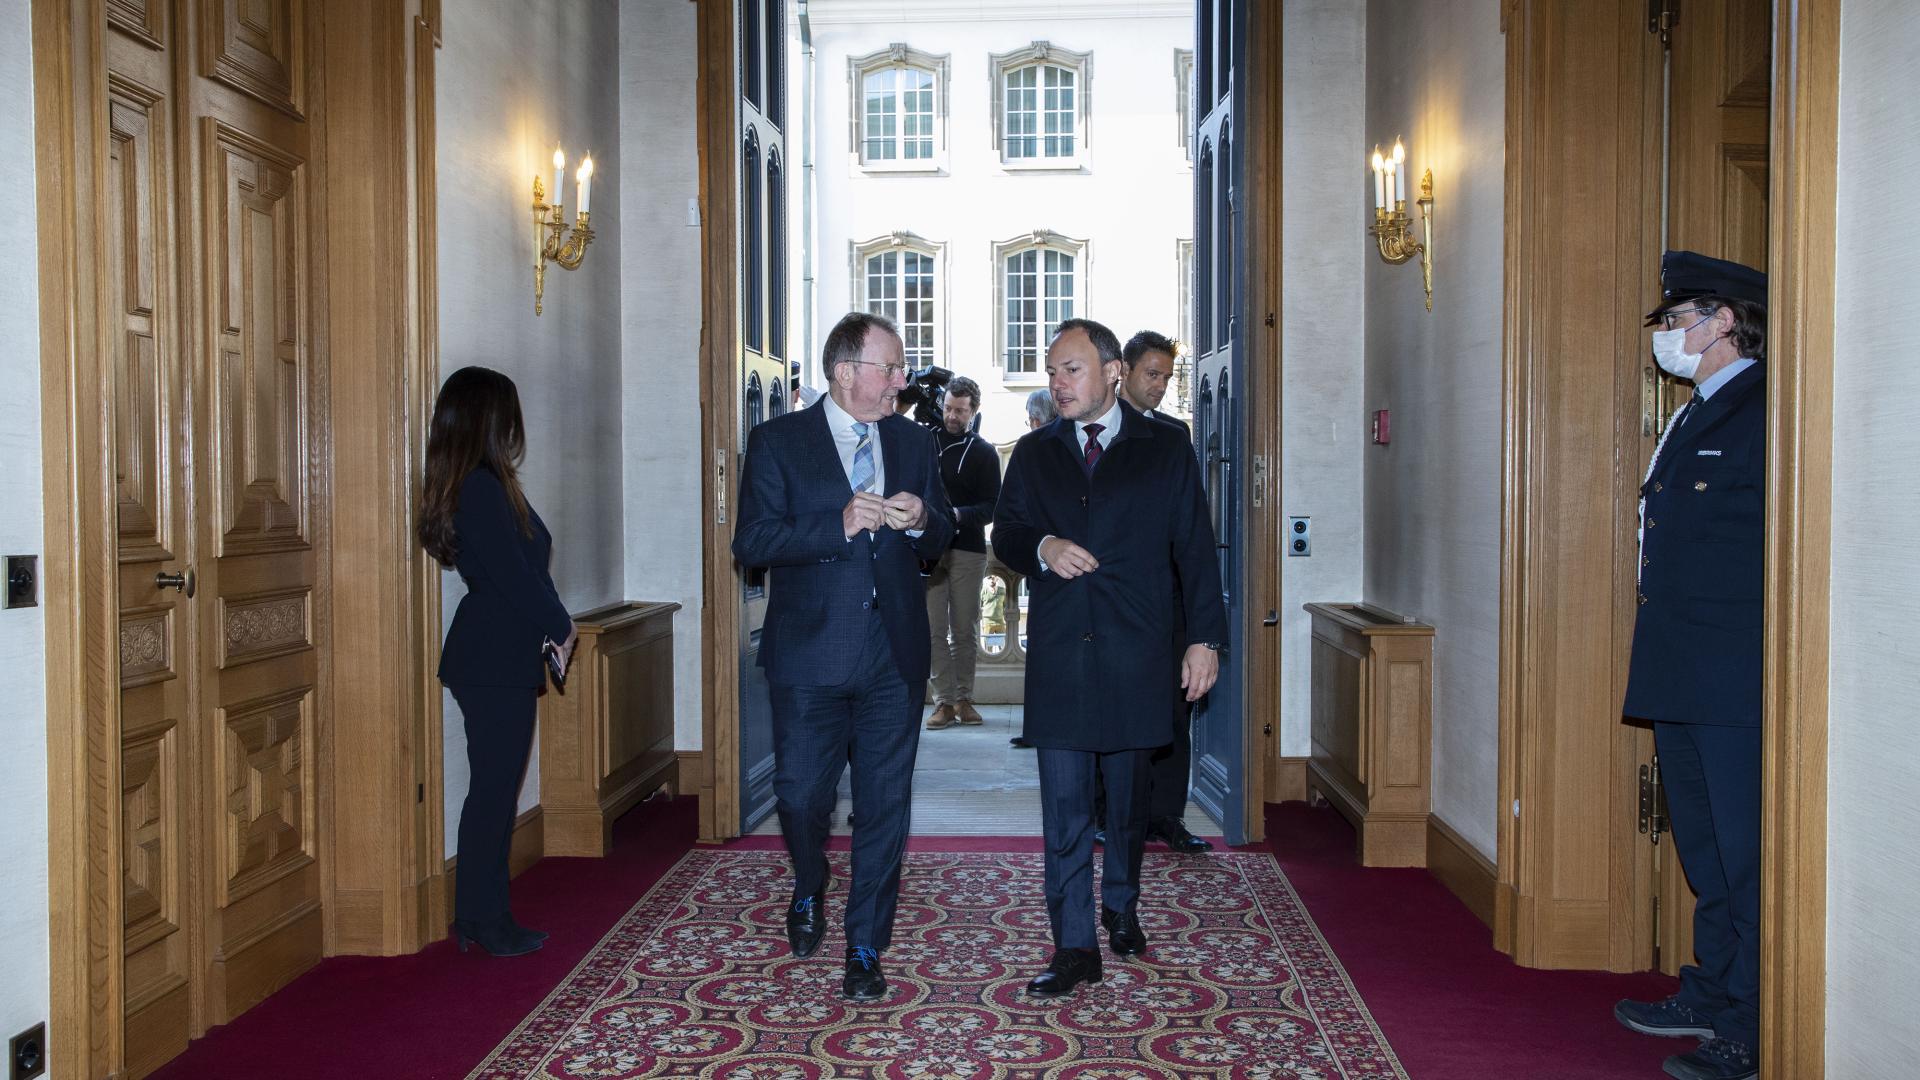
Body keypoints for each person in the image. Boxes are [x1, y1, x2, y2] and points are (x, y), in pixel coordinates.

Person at [993, 318, 1227, 998]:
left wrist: (1203, 639)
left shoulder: (1165, 447)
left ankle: (1120, 905)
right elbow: (1006, 532)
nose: (1057, 384)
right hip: (1063, 656)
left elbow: (1193, 547)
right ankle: (1074, 946)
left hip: (1138, 653)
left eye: (1070, 369)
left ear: (1111, 372)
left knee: (1125, 804)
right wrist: (1043, 547)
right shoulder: (1035, 453)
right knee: (1064, 809)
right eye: (1051, 372)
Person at [732, 311, 955, 1002]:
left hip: (894, 656)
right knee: (800, 796)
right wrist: (838, 524)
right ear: (843, 372)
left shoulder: (916, 441)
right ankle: (809, 882)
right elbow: (753, 544)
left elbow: (942, 533)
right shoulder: (778, 442)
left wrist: (922, 519)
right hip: (810, 655)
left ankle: (865, 944)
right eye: (889, 367)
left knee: (886, 803)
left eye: (902, 367)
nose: (902, 379)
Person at [1612, 251, 1767, 1080]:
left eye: (1679, 321)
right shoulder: (1692, 411)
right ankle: (1711, 991)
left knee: (1745, 851)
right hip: (1679, 662)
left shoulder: (1763, 408)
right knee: (1703, 846)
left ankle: (1755, 1019)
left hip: (1735, 672)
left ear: (1724, 323)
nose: (1667, 336)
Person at [419, 366, 577, 958]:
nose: (515, 426)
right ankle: (485, 920)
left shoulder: (486, 482)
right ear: (486, 418)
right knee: (492, 791)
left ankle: (479, 917)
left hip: (497, 651)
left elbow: (526, 565)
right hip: (490, 656)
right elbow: (515, 575)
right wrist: (561, 625)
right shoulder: (480, 487)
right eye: (506, 414)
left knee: (493, 789)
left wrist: (553, 622)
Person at [1112, 330, 1211, 853]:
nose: (1160, 387)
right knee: (1116, 709)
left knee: (1176, 708)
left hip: (1168, 595)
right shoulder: (1092, 430)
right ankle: (1110, 816)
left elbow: (1191, 526)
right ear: (1123, 370)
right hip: (1112, 598)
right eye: (1152, 375)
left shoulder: (1176, 436)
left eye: (1167, 378)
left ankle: (1167, 815)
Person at [924, 376, 1002, 731]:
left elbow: (992, 508)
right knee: (933, 628)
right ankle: (943, 702)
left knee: (965, 628)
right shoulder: (925, 443)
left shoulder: (984, 452)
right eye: (947, 408)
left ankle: (965, 698)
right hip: (928, 549)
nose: (951, 416)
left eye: (959, 411)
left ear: (974, 411)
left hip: (968, 548)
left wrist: (958, 514)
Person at [1008, 389, 1059, 750]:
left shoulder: (1037, 451)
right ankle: (1040, 727)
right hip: (1042, 565)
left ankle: (1042, 727)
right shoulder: (1032, 451)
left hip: (1056, 576)